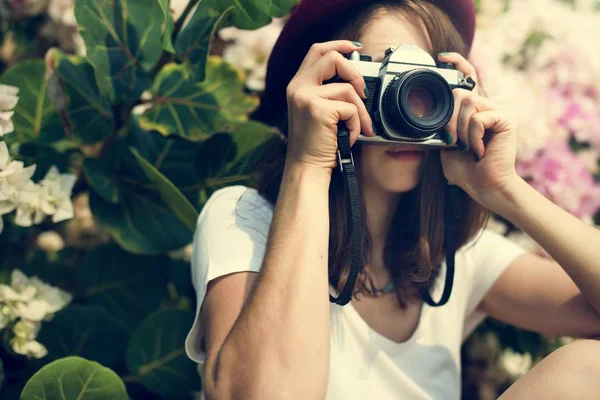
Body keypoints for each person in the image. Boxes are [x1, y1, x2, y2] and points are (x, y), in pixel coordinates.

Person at [184, 0, 600, 398]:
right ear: (325, 88)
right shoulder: (245, 219)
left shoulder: (451, 255)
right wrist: (310, 164)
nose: (411, 107)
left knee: (588, 367)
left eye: (426, 84)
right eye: (381, 81)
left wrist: (504, 188)